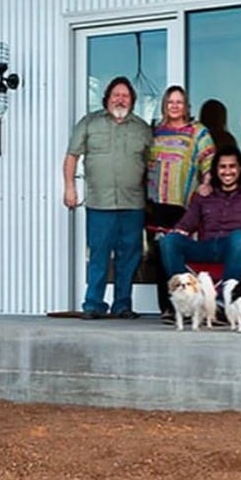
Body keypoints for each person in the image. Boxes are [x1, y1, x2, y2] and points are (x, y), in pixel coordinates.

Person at [62, 76, 152, 318]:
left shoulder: (143, 129)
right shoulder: (89, 124)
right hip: (99, 203)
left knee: (129, 258)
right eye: (116, 95)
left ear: (132, 100)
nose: (120, 99)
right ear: (107, 99)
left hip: (133, 204)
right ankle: (93, 305)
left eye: (125, 95)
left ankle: (122, 305)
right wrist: (70, 188)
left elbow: (152, 165)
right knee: (99, 256)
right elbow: (72, 156)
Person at [158, 146, 241, 304]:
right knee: (170, 240)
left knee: (239, 237)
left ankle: (224, 302)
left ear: (240, 169)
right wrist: (177, 232)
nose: (227, 171)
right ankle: (189, 300)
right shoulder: (205, 194)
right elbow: (186, 224)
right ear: (215, 170)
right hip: (206, 246)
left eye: (232, 166)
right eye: (222, 167)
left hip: (235, 248)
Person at [147, 85, 216, 315]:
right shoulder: (155, 132)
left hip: (183, 205)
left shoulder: (198, 132)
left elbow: (209, 162)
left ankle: (188, 306)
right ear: (164, 105)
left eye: (179, 102)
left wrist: (206, 183)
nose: (174, 106)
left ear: (186, 106)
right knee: (158, 257)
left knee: (177, 254)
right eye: (170, 102)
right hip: (156, 203)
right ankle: (167, 307)